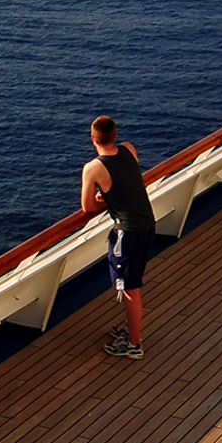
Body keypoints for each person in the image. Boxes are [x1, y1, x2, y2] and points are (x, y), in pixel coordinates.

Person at [81, 115, 156, 359]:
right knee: (131, 284)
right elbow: (129, 181)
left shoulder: (93, 168)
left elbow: (88, 207)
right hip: (146, 225)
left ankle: (134, 344)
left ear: (93, 138)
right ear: (115, 136)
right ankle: (130, 332)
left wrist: (106, 202)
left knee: (130, 289)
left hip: (128, 233)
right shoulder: (129, 149)